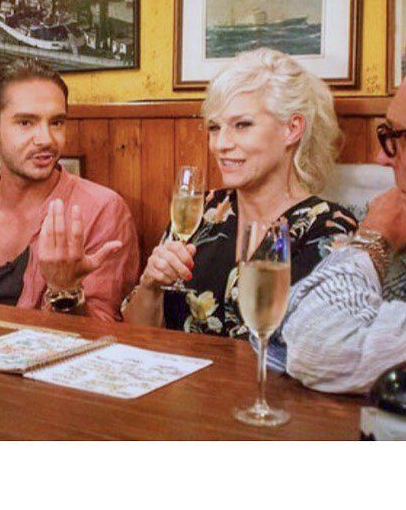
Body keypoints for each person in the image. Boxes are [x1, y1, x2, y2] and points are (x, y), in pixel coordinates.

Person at [278, 22, 406, 393]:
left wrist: (373, 237)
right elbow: (287, 331)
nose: (382, 158)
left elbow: (321, 348)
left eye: (396, 137)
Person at [122, 48, 357, 336]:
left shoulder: (328, 228)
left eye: (242, 125)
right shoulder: (203, 210)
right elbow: (136, 333)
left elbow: (316, 349)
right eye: (214, 127)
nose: (221, 144)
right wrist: (150, 285)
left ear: (292, 129)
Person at [0, 58, 139, 321]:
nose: (46, 139)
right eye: (26, 123)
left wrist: (65, 290)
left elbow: (106, 333)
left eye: (56, 122)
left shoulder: (102, 210)